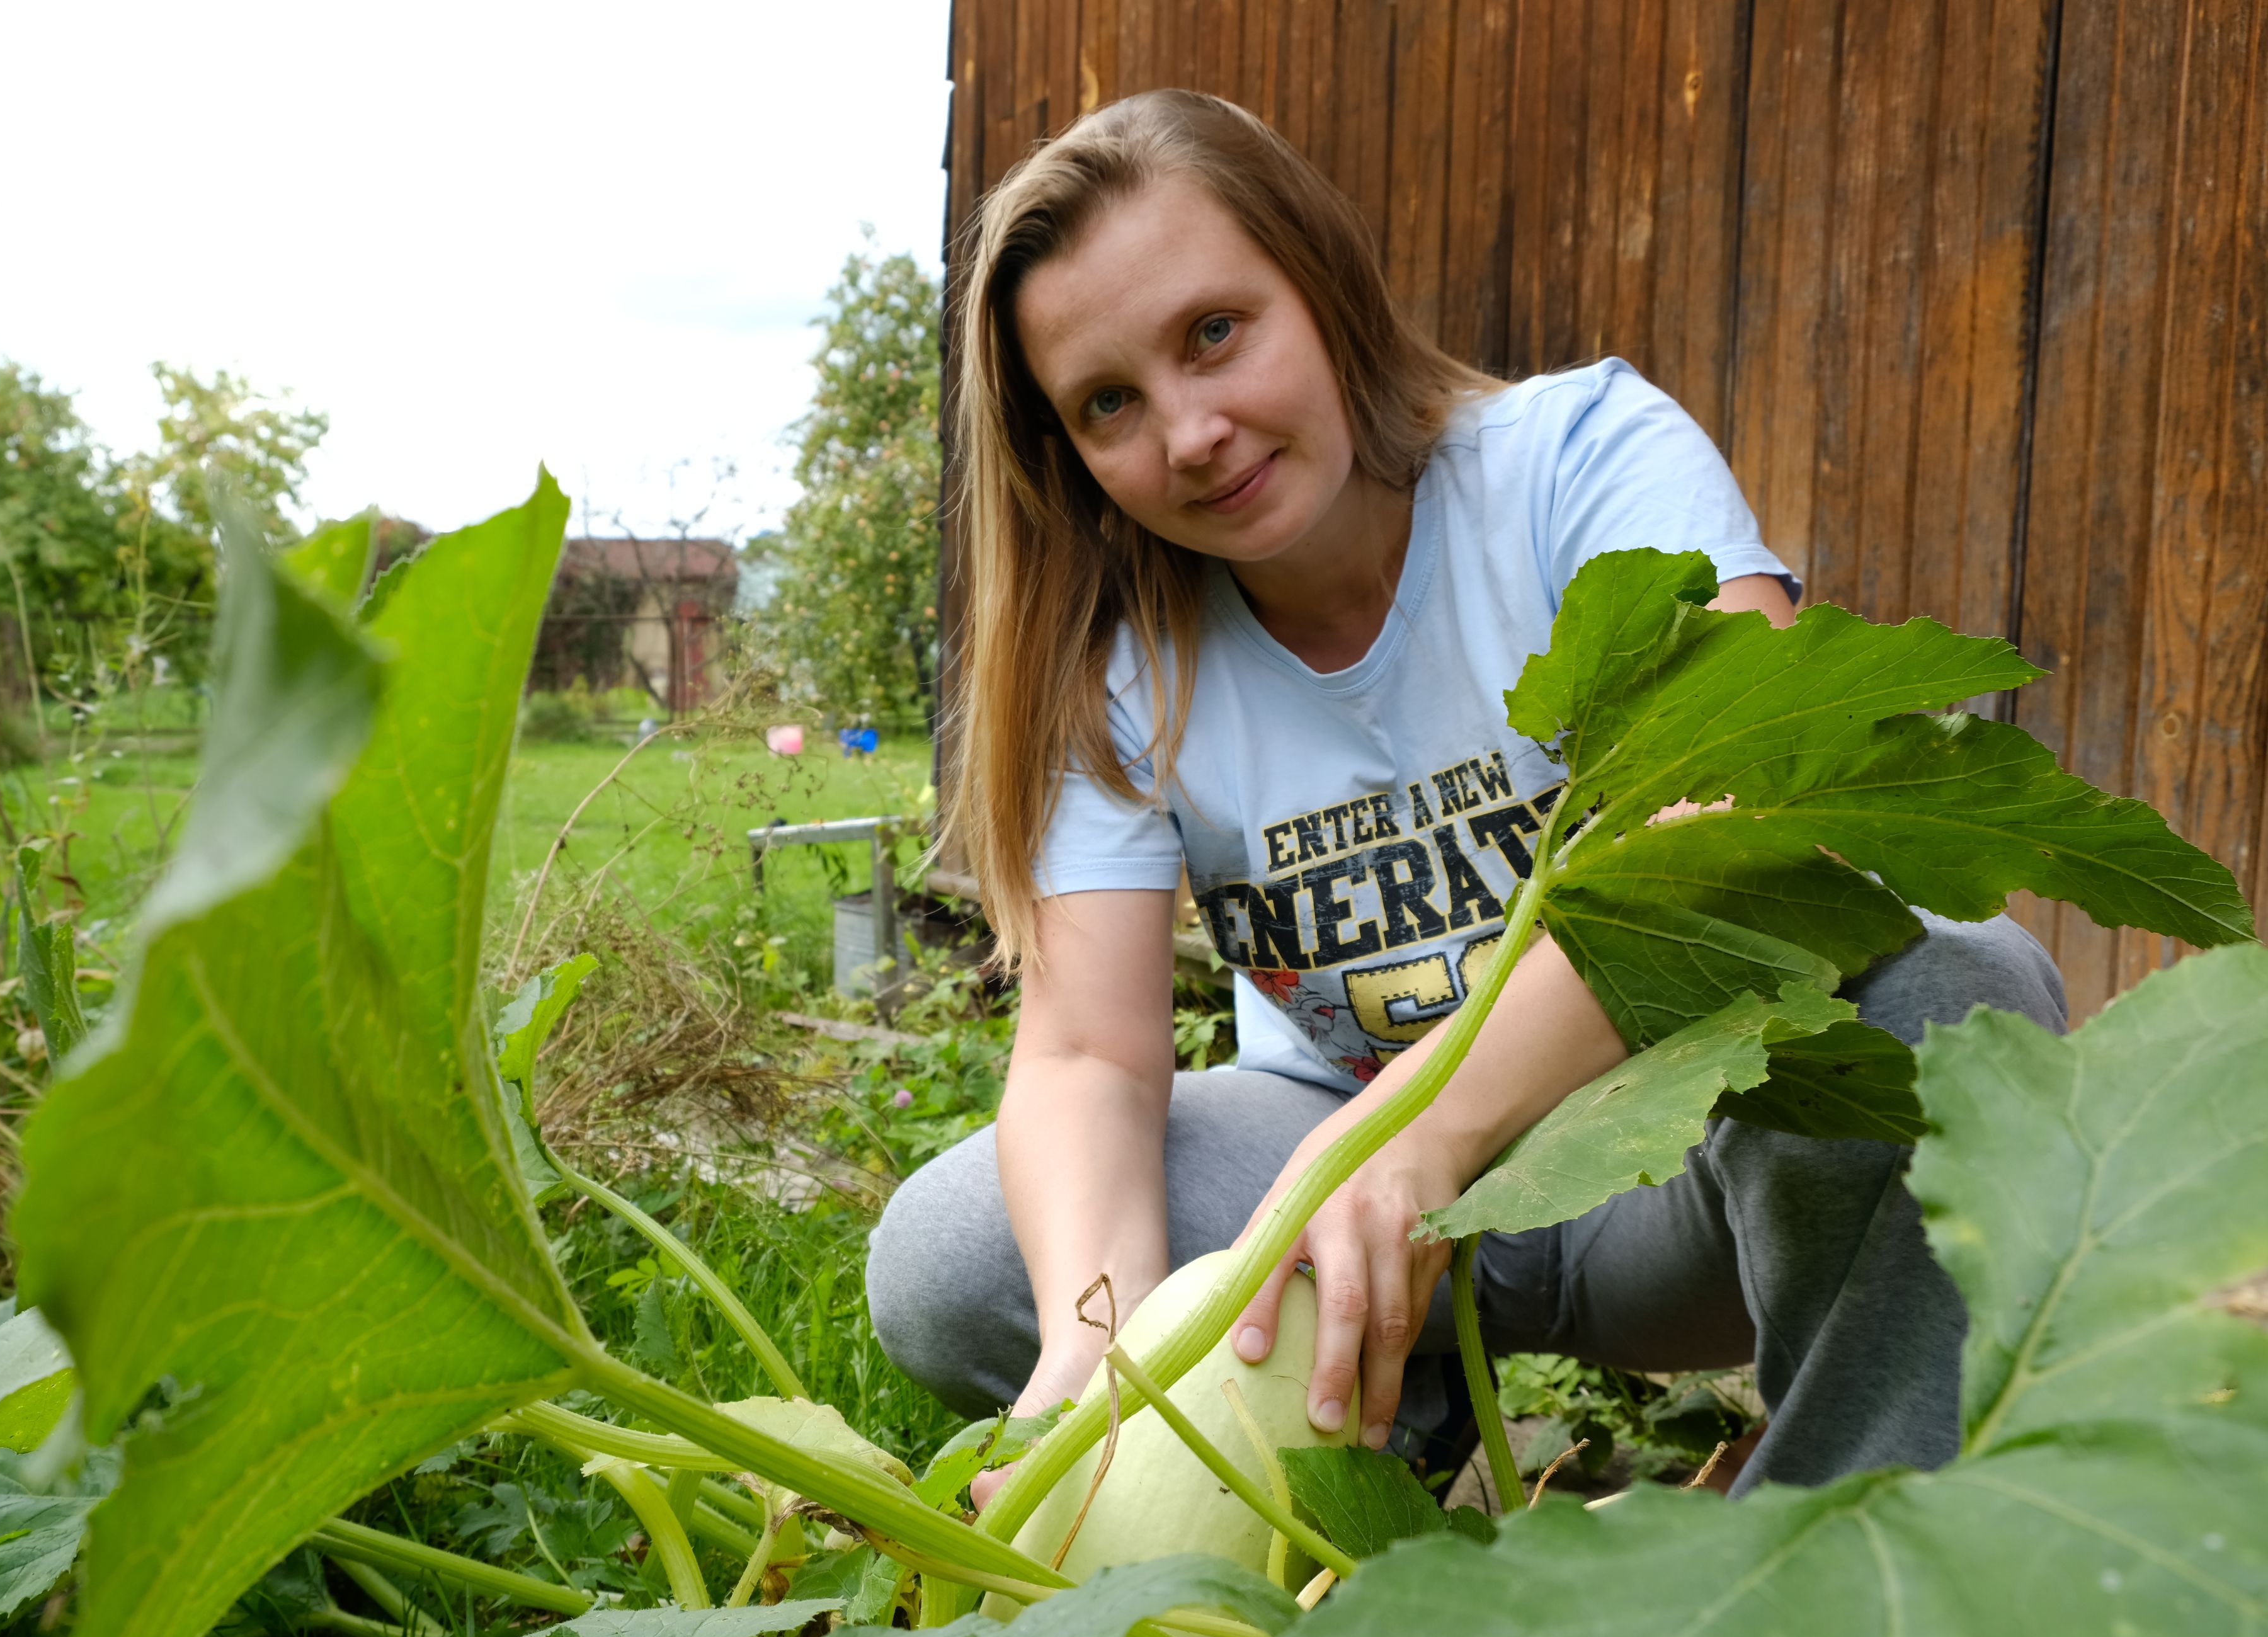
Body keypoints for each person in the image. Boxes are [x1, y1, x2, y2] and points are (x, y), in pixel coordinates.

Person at [863, 91, 2065, 1502]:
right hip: (1366, 1212)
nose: (1189, 433)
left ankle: (1831, 1534)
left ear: (1317, 282)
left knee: (1953, 994)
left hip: (1663, 1153)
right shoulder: (1121, 665)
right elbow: (1085, 1058)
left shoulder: (1574, 460)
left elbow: (1748, 804)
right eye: (1109, 404)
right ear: (1062, 450)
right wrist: (1097, 1341)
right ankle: (1392, 1431)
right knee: (951, 1258)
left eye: (1213, 333)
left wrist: (1421, 1129)